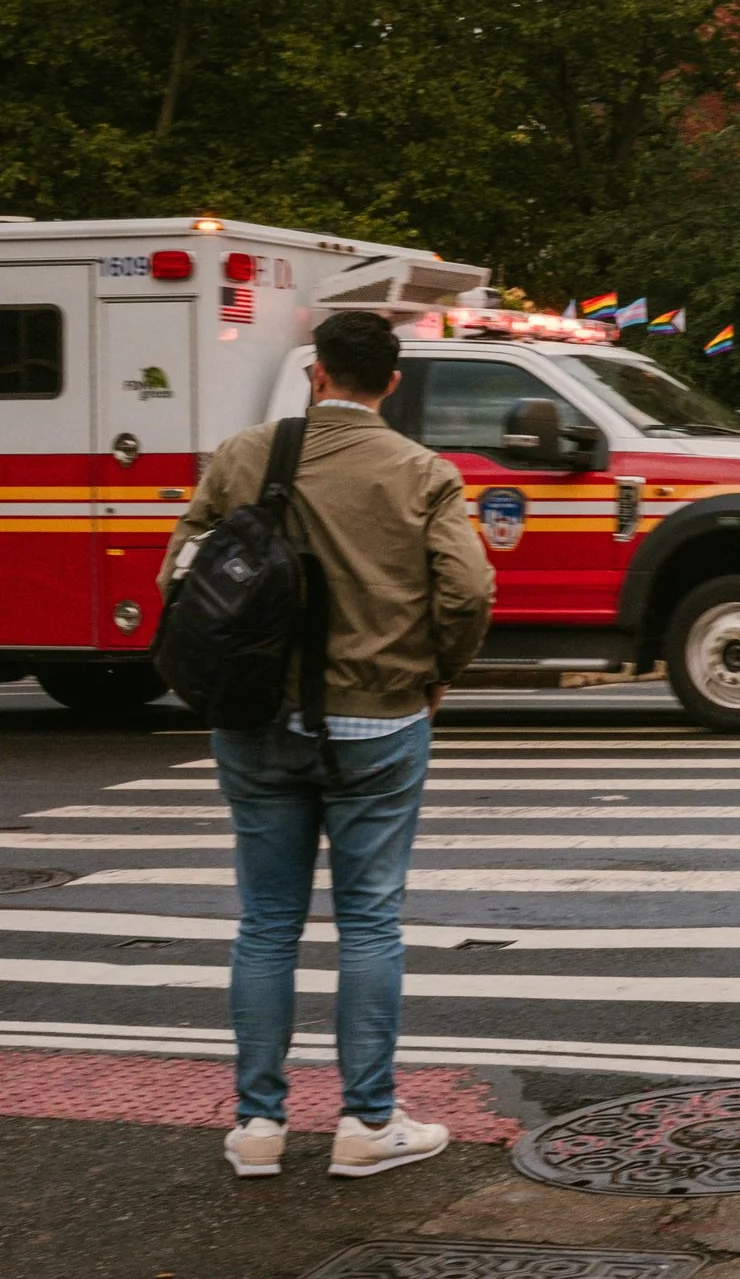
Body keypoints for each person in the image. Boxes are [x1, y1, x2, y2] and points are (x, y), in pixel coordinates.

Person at [162, 311, 496, 1181]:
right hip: (380, 719)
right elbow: (466, 589)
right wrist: (438, 671)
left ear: (315, 373)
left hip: (258, 720)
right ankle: (366, 1122)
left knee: (267, 923)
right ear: (392, 382)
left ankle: (260, 1125)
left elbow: (180, 571)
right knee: (370, 922)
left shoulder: (244, 455)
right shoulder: (422, 471)